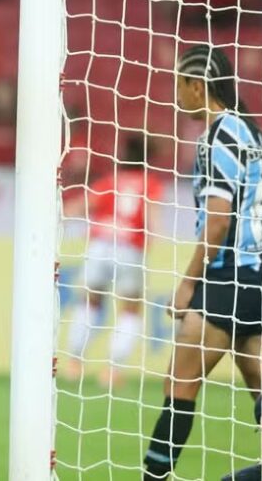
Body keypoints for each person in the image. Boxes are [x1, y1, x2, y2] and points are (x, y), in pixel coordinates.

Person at [141, 45, 262, 480]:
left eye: (178, 86)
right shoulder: (252, 134)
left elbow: (219, 221)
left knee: (180, 382)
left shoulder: (218, 135)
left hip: (230, 276)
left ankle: (153, 477)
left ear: (196, 85)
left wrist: (188, 282)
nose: (176, 96)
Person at [62, 134, 164, 386]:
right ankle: (112, 370)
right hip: (129, 247)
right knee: (131, 308)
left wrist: (61, 213)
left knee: (90, 302)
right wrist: (152, 241)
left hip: (100, 244)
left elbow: (81, 206)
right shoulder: (149, 183)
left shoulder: (110, 181)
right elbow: (152, 222)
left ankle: (74, 363)